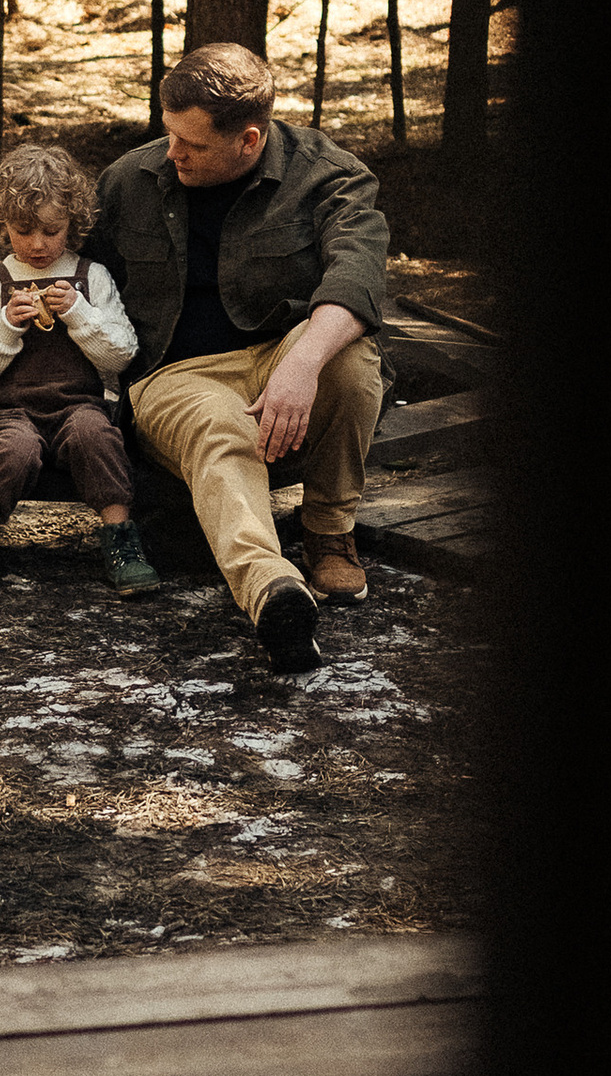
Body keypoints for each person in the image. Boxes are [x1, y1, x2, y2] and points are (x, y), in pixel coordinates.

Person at [89, 42, 390, 677]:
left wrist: (302, 364)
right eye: (168, 133)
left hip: (284, 352)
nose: (171, 153)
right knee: (221, 428)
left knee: (350, 360)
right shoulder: (126, 182)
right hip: (177, 376)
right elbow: (68, 272)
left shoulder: (329, 176)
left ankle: (329, 530)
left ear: (249, 140)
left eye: (191, 144)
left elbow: (357, 277)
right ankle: (273, 591)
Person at [0, 142, 156, 598]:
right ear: (2, 224)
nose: (37, 244)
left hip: (77, 404)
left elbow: (121, 356)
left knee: (97, 436)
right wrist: (7, 326)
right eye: (23, 230)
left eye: (52, 230)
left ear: (73, 222)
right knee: (15, 451)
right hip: (8, 411)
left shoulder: (90, 276)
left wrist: (80, 313)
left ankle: (121, 539)